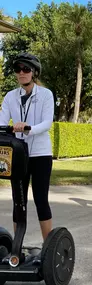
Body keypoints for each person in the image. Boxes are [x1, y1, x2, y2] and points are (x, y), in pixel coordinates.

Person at [0, 52, 54, 242]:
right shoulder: (10, 96)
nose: (21, 73)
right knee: (18, 202)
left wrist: (27, 128)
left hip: (41, 154)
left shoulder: (46, 95)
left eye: (26, 69)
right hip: (19, 155)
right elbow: (2, 121)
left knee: (41, 200)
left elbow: (47, 123)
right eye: (18, 69)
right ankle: (17, 249)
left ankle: (48, 247)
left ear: (34, 73)